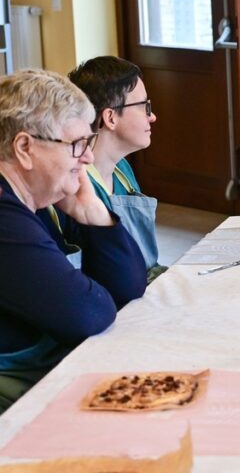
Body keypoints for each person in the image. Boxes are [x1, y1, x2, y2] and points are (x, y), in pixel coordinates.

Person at [0, 70, 147, 412]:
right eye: (77, 144)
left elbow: (128, 288)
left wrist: (93, 213)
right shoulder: (6, 219)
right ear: (25, 148)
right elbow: (88, 313)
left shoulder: (43, 200)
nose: (88, 158)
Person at [68, 56, 165, 281]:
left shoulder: (122, 169)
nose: (152, 116)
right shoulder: (76, 184)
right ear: (110, 117)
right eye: (144, 107)